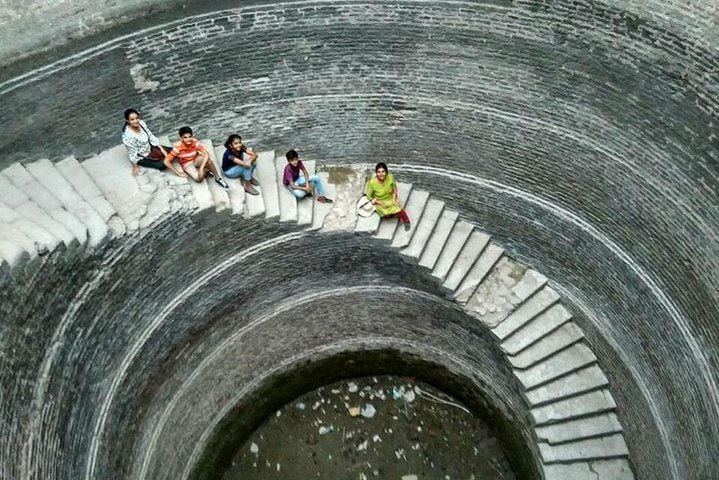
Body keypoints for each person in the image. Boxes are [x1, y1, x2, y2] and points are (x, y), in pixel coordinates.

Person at [164, 126, 229, 189]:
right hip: (187, 164)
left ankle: (218, 178)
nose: (188, 139)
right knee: (199, 179)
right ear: (181, 138)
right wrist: (178, 173)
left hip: (196, 159)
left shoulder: (195, 142)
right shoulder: (177, 148)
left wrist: (201, 167)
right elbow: (166, 161)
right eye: (185, 137)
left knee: (208, 160)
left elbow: (206, 154)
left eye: (190, 137)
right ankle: (206, 170)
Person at [121, 108, 170, 176]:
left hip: (150, 147)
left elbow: (150, 135)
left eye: (137, 118)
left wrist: (162, 149)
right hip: (142, 156)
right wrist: (135, 166)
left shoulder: (141, 123)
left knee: (173, 151)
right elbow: (132, 152)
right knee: (162, 165)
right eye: (132, 119)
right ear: (127, 120)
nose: (136, 121)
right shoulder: (127, 135)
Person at [364, 162, 410, 230]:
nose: (381, 174)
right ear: (376, 173)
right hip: (380, 200)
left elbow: (394, 188)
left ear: (386, 172)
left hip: (390, 197)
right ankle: (389, 214)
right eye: (379, 172)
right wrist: (378, 202)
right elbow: (369, 196)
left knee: (399, 210)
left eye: (383, 171)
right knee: (387, 216)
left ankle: (407, 221)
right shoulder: (372, 183)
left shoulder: (390, 177)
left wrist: (394, 200)